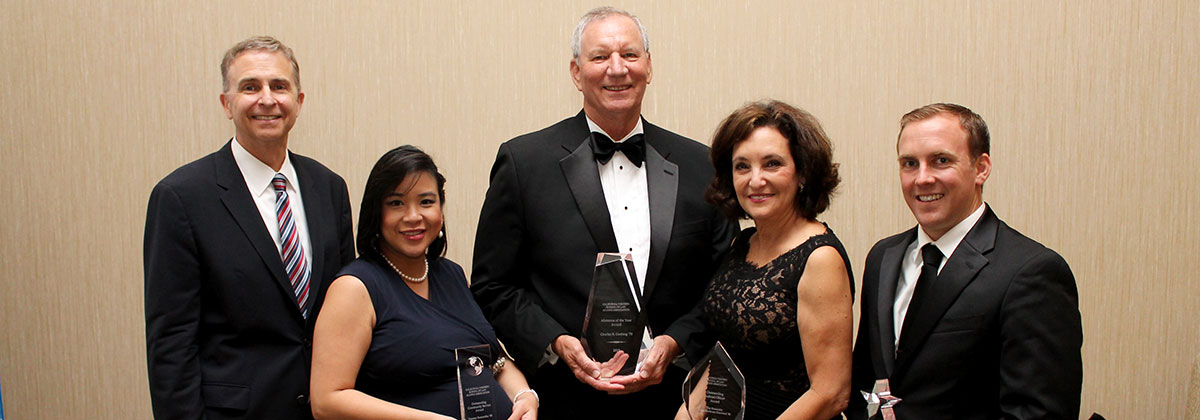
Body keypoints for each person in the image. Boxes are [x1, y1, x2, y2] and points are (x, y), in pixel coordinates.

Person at [470, 6, 738, 419]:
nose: (617, 69)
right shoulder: (524, 163)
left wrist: (676, 341)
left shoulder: (701, 165)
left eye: (630, 55)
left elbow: (724, 284)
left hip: (674, 402)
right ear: (576, 73)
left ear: (649, 67)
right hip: (564, 400)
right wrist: (556, 341)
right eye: (600, 57)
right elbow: (494, 287)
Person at [144, 36, 355, 420]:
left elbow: (349, 314)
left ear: (299, 101)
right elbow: (171, 343)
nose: (267, 99)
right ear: (226, 104)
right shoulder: (181, 197)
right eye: (250, 87)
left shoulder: (330, 188)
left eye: (279, 86)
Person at [847, 103, 1083, 419]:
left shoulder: (1031, 272)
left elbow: (1038, 413)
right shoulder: (883, 258)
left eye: (941, 161)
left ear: (981, 168)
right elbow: (867, 381)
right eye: (909, 164)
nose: (922, 178)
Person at [309, 146, 537, 420]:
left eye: (426, 202)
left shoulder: (452, 274)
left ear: (440, 210)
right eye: (396, 203)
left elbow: (493, 360)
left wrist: (524, 396)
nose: (413, 216)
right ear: (376, 214)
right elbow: (327, 400)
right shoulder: (354, 288)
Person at [678, 100, 852, 420]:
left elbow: (831, 393)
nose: (755, 180)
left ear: (802, 172)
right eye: (742, 166)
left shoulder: (820, 259)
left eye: (772, 164)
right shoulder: (743, 243)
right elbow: (726, 352)